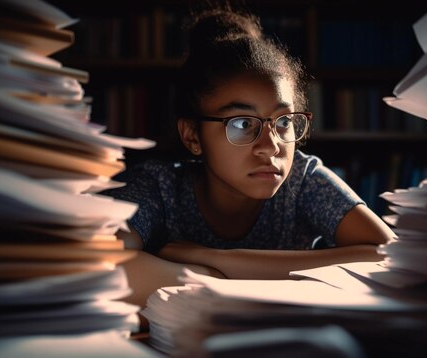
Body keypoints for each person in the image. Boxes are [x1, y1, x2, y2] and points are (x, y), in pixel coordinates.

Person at [103, 6, 395, 310]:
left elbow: (388, 257)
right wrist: (216, 281)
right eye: (242, 124)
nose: (270, 147)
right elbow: (100, 262)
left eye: (283, 122)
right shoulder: (158, 187)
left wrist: (218, 261)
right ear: (192, 136)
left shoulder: (303, 181)